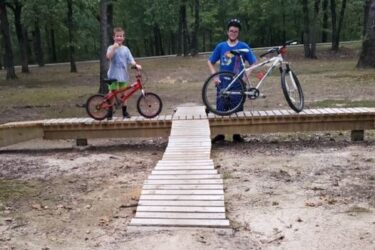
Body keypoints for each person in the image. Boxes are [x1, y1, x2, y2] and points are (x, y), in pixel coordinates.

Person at [207, 18, 257, 143]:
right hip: (223, 83)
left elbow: (253, 63)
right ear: (227, 32)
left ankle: (236, 134)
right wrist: (215, 76)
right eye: (231, 31)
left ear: (238, 33)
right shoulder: (221, 46)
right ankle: (220, 134)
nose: (233, 33)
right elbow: (210, 61)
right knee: (221, 108)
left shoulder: (243, 46)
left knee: (237, 109)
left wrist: (246, 77)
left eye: (235, 31)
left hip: (237, 84)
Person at [106, 27, 141, 119]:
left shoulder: (126, 49)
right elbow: (108, 57)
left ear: (123, 38)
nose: (119, 38)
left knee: (124, 94)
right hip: (113, 75)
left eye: (121, 36)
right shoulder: (110, 47)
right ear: (114, 37)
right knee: (112, 94)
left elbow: (131, 59)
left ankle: (124, 112)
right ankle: (109, 112)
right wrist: (114, 47)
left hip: (123, 75)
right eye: (117, 36)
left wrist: (136, 65)